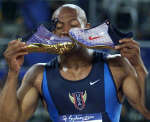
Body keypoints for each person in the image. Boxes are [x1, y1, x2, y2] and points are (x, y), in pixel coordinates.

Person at [0, 4, 149, 122]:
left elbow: (146, 111)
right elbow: (8, 119)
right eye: (59, 27)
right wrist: (13, 73)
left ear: (87, 28)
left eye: (73, 24)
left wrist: (139, 66)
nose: (66, 31)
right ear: (53, 34)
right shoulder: (38, 75)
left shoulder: (116, 66)